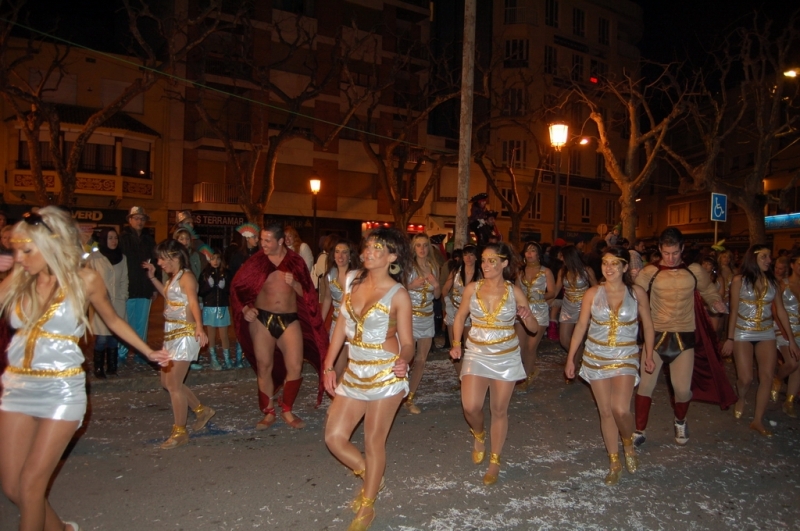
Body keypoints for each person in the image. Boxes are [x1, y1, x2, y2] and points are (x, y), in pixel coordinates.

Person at [0, 207, 169, 530]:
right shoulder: (18, 279)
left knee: (31, 487)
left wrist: (148, 351)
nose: (19, 257)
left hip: (61, 391)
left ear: (50, 245)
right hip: (17, 387)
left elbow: (113, 319)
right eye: (15, 249)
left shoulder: (85, 278)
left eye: (26, 249)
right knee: (13, 488)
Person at [323, 227, 414, 531]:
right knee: (334, 437)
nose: (369, 252)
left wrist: (404, 360)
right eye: (368, 246)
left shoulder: (399, 294)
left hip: (386, 372)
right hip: (354, 370)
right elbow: (340, 324)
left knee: (373, 441)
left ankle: (368, 502)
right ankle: (371, 474)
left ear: (392, 256)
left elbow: (409, 341)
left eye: (378, 248)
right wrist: (328, 363)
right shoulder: (353, 280)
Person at [633, 227, 734, 447]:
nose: (670, 258)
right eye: (666, 253)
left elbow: (708, 290)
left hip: (684, 336)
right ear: (660, 249)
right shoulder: (649, 272)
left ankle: (680, 421)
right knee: (645, 385)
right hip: (656, 336)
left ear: (682, 249)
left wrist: (715, 301)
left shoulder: (694, 271)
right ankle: (639, 429)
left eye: (675, 253)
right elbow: (633, 297)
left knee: (681, 389)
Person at [565, 247, 655, 485]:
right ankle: (614, 461)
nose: (609, 267)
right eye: (605, 263)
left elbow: (648, 324)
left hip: (625, 355)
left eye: (615, 263)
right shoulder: (593, 293)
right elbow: (581, 326)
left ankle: (628, 443)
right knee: (605, 411)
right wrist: (571, 357)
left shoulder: (636, 293)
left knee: (620, 409)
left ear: (625, 267)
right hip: (596, 355)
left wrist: (648, 354)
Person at [449, 242, 537, 486]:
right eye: (484, 260)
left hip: (506, 355)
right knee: (470, 406)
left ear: (504, 263)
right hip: (476, 352)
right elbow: (459, 317)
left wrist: (528, 318)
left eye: (491, 261)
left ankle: (495, 460)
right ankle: (479, 433)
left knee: (499, 410)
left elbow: (533, 328)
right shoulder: (472, 288)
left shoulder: (514, 292)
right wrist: (456, 343)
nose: (486, 265)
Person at [230, 224, 328, 430]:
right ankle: (268, 411)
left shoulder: (295, 262)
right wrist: (245, 308)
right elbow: (237, 288)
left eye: (267, 240)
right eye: (261, 240)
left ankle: (287, 409)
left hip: (289, 319)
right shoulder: (256, 262)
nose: (262, 244)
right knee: (264, 366)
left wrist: (295, 285)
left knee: (295, 366)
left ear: (280, 241)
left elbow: (309, 294)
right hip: (262, 320)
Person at [143, 239, 215, 449]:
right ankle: (201, 411)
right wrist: (153, 278)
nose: (159, 262)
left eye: (162, 258)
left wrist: (200, 328)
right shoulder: (174, 278)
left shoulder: (187, 277)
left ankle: (180, 431)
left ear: (174, 257)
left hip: (185, 335)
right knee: (167, 382)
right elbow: (169, 296)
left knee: (174, 385)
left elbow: (193, 302)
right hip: (171, 334)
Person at [722, 245, 799, 437]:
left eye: (769, 257)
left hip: (766, 332)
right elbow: (733, 311)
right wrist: (730, 338)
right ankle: (741, 397)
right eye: (764, 256)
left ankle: (758, 420)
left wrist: (791, 340)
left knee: (766, 377)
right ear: (753, 258)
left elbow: (780, 311)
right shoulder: (739, 280)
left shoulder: (773, 282)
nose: (768, 260)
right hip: (743, 332)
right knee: (745, 378)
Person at [404, 233, 441, 415]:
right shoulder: (408, 266)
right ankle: (397, 393)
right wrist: (411, 285)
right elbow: (397, 289)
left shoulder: (434, 266)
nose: (422, 249)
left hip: (427, 317)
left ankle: (410, 397)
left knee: (421, 359)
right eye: (418, 245)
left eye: (425, 245)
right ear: (413, 248)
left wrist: (436, 285)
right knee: (406, 357)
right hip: (409, 318)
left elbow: (437, 296)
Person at [86, 228, 129, 378]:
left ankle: (112, 366)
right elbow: (87, 279)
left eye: (115, 238)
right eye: (110, 238)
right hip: (100, 303)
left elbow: (124, 279)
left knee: (113, 337)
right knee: (101, 337)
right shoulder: (94, 258)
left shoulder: (122, 258)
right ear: (104, 239)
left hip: (117, 303)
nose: (113, 241)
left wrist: (123, 296)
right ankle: (98, 367)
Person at [119, 206, 158, 365]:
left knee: (141, 323)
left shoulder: (149, 240)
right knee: (125, 322)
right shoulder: (122, 238)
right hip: (127, 287)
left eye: (142, 219)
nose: (140, 221)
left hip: (144, 287)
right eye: (136, 218)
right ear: (130, 220)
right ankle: (121, 353)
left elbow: (156, 263)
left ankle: (141, 353)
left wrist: (154, 286)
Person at [515, 241, 555, 391]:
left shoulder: (546, 272)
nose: (529, 254)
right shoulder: (520, 272)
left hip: (540, 310)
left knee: (531, 347)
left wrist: (540, 296)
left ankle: (526, 377)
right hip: (523, 311)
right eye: (527, 251)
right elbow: (516, 291)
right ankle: (526, 371)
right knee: (519, 345)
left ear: (538, 254)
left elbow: (552, 291)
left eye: (532, 251)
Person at [556, 245, 598, 381]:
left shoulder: (587, 270)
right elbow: (556, 290)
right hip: (567, 307)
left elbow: (596, 288)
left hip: (583, 307)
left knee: (578, 337)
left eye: (563, 257)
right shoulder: (562, 271)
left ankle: (573, 365)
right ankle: (578, 357)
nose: (561, 259)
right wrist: (538, 299)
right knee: (563, 339)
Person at [319, 239, 359, 381]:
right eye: (337, 252)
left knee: (355, 368)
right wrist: (320, 323)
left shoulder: (358, 276)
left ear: (350, 256)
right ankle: (339, 400)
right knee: (338, 368)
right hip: (337, 326)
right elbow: (327, 300)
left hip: (356, 326)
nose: (340, 256)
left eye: (344, 252)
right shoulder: (329, 275)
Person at [442, 246, 480, 382]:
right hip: (455, 311)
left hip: (472, 314)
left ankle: (471, 377)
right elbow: (445, 289)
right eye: (465, 255)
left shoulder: (481, 274)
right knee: (455, 346)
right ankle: (461, 379)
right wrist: (447, 302)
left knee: (471, 347)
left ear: (476, 257)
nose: (468, 258)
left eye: (471, 254)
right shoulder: (456, 272)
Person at [772, 251, 800, 417]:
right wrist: (784, 332)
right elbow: (776, 311)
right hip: (783, 327)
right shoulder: (782, 284)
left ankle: (789, 401)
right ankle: (778, 378)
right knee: (792, 363)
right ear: (793, 265)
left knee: (798, 364)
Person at [198, 248, 233, 370]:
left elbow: (230, 290)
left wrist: (224, 287)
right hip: (210, 307)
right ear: (209, 259)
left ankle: (227, 358)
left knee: (224, 335)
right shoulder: (205, 273)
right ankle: (214, 359)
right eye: (213, 258)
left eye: (218, 258)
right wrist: (209, 285)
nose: (215, 261)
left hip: (222, 307)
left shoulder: (227, 273)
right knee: (211, 335)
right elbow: (201, 291)